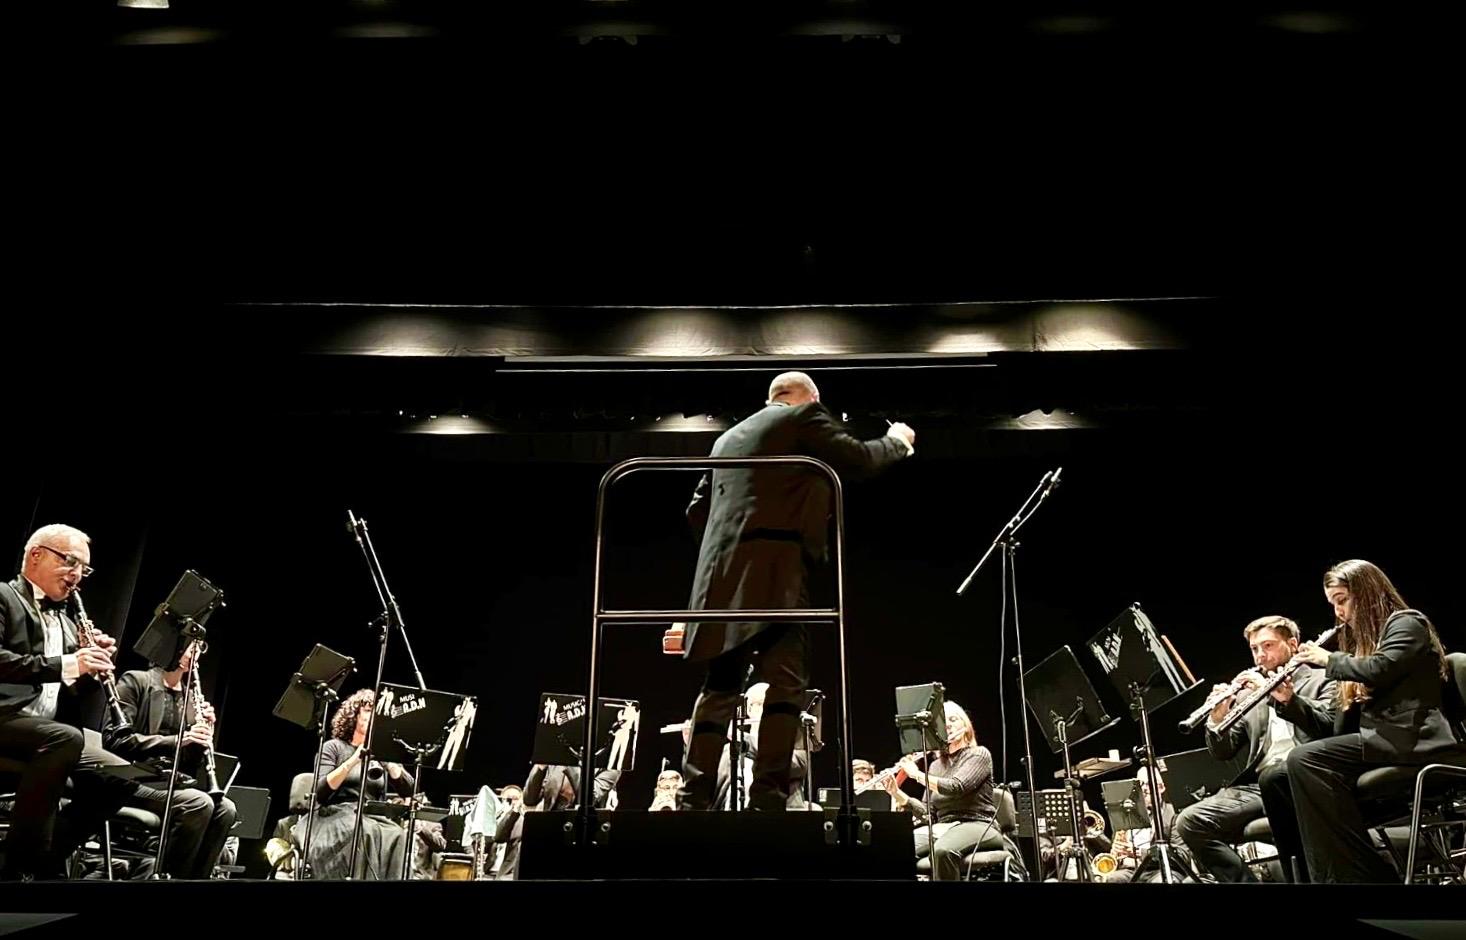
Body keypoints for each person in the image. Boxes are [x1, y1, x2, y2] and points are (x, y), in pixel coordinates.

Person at [672, 371, 914, 812]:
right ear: (811, 398)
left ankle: (692, 799)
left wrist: (731, 557)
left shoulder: (725, 440)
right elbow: (859, 458)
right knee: (786, 685)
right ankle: (768, 798)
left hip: (720, 583)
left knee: (720, 687)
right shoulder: (803, 417)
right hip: (777, 579)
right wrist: (897, 440)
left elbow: (696, 510)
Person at [1283, 559, 1464, 882]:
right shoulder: (1364, 643)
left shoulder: (1408, 623)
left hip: (1413, 739)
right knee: (1285, 772)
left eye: (1342, 600)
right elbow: (1342, 719)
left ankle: (1361, 876)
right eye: (1333, 604)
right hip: (1382, 740)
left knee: (1305, 759)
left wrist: (1329, 660)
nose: (1338, 612)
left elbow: (1381, 668)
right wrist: (1290, 701)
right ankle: (1339, 874)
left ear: (1365, 593)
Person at [0, 524, 132, 880]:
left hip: (45, 733)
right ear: (36, 555)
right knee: (65, 737)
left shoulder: (69, 623)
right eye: (70, 561)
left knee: (121, 777)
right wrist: (70, 663)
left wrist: (91, 669)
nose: (76, 575)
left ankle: (42, 860)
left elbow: (71, 692)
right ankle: (16, 871)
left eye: (83, 569)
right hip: (4, 718)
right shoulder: (3, 596)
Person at [1174, 615, 1335, 883]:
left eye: (1268, 645)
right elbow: (1222, 752)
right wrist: (1216, 718)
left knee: (1279, 783)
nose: (1260, 655)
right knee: (1190, 822)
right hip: (1261, 786)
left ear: (1292, 644)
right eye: (1254, 648)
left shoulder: (1323, 677)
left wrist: (1278, 695)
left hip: (1306, 776)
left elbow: (1329, 725)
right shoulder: (1249, 695)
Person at [105, 640, 238, 879]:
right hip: (131, 776)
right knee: (199, 803)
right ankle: (170, 879)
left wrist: (201, 738)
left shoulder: (190, 700)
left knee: (226, 809)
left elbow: (189, 764)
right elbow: (115, 740)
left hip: (169, 782)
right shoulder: (136, 681)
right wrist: (178, 740)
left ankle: (194, 881)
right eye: (191, 646)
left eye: (200, 647)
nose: (195, 653)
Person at [296, 688, 415, 879]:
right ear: (353, 716)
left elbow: (409, 789)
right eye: (368, 711)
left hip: (370, 815)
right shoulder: (333, 747)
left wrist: (389, 762)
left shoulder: (383, 752)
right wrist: (354, 760)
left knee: (398, 835)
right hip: (333, 814)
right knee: (363, 831)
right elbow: (320, 792)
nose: (373, 717)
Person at [882, 700, 1004, 881]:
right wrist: (897, 793)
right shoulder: (935, 766)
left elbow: (956, 787)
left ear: (966, 726)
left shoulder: (978, 754)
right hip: (943, 828)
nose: (948, 725)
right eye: (942, 723)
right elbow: (928, 814)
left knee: (942, 851)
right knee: (894, 848)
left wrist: (916, 775)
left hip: (978, 824)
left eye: (953, 719)